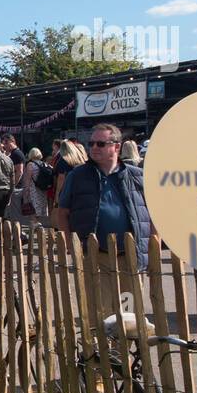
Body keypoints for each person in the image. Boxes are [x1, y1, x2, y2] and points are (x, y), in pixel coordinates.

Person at [52, 123, 154, 317]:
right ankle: (103, 338)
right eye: (91, 143)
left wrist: (152, 245)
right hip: (97, 256)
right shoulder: (77, 176)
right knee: (101, 314)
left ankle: (125, 337)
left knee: (130, 313)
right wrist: (69, 244)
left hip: (130, 258)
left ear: (116, 146)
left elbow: (150, 214)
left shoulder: (136, 176)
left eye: (100, 143)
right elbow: (62, 212)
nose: (94, 148)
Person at [21, 147, 50, 226]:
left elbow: (27, 180)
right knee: (39, 209)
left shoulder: (30, 165)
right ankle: (37, 223)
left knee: (32, 209)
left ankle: (35, 225)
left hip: (33, 190)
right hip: (42, 190)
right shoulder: (44, 164)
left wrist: (25, 192)